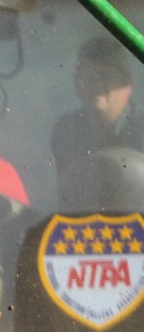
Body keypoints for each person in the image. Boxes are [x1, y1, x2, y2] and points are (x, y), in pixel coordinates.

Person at [51, 36, 144, 210]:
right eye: (88, 77)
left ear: (127, 86)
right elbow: (65, 199)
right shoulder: (65, 130)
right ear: (78, 86)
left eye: (106, 77)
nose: (97, 84)